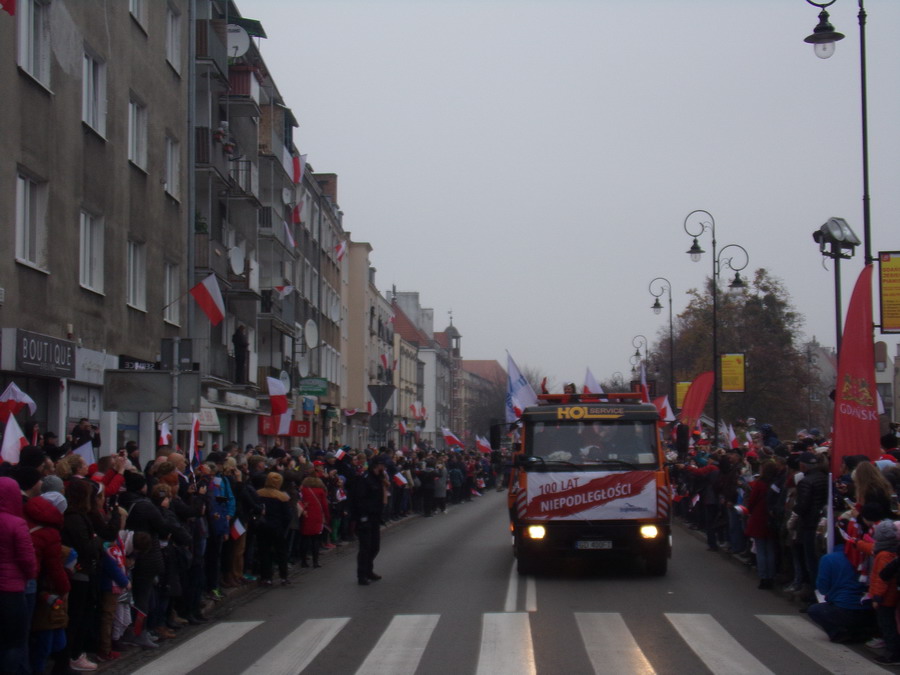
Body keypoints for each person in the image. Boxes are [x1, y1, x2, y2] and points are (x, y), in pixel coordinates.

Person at [0, 476, 38, 674]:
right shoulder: (17, 523)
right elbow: (27, 559)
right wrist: (30, 574)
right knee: (14, 641)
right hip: (12, 590)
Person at [351, 455, 387, 586]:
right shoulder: (365, 479)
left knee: (375, 547)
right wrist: (362, 517)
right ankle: (362, 575)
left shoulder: (378, 478)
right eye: (383, 465)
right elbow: (359, 499)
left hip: (375, 517)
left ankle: (369, 570)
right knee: (365, 548)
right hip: (365, 518)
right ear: (377, 465)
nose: (384, 467)